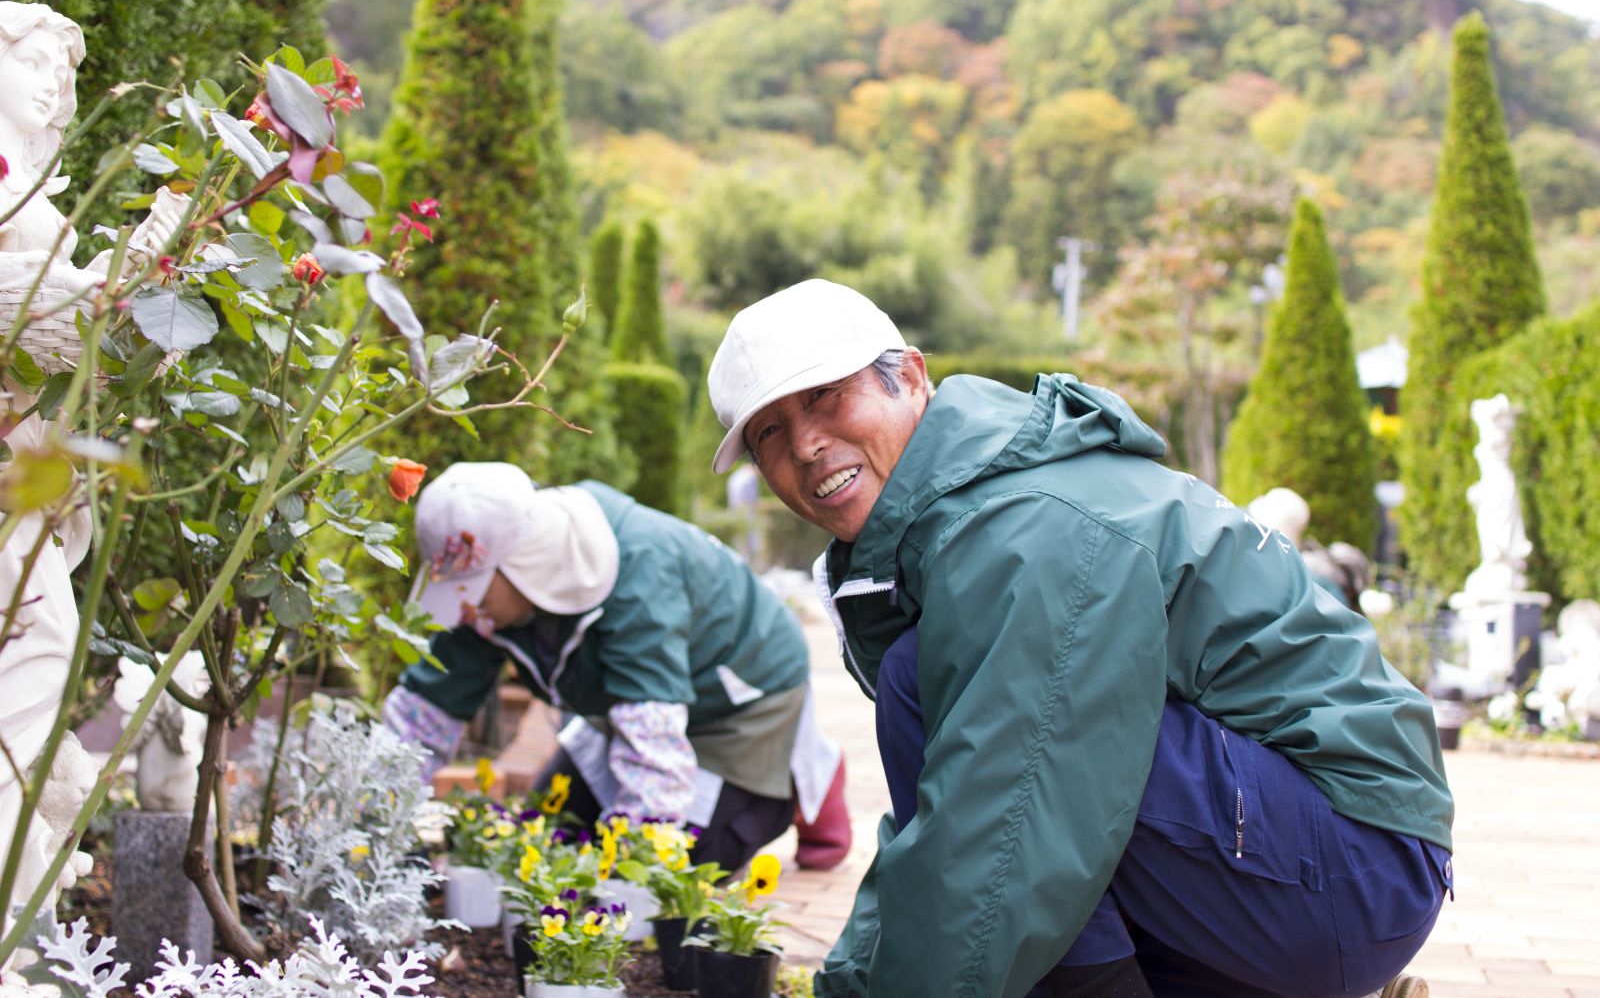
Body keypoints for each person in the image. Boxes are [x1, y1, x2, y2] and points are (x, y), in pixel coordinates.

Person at [706, 279, 1452, 998]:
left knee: (988, 788)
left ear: (910, 377)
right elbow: (935, 831)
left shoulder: (1021, 532)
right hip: (1318, 852)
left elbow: (994, 829)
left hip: (1354, 864)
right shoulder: (978, 505)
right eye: (769, 431)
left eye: (824, 398)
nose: (804, 444)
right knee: (960, 749)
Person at [381, 462, 851, 873]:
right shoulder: (483, 599)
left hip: (740, 699)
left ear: (526, 565)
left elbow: (654, 765)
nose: (461, 609)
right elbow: (422, 716)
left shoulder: (637, 576)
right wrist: (376, 827)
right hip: (637, 705)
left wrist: (631, 870)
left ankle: (810, 775)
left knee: (688, 860)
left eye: (476, 588)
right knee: (548, 827)